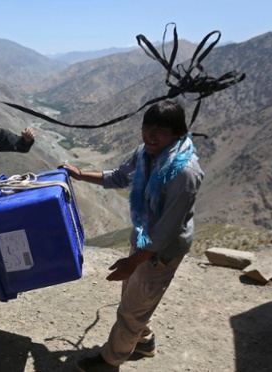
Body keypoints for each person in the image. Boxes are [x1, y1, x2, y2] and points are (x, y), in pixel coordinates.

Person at [60, 100, 204, 372]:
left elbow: (166, 232)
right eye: (146, 127)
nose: (150, 135)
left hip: (160, 253)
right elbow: (118, 177)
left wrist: (134, 261)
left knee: (131, 309)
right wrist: (79, 175)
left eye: (159, 130)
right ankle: (144, 342)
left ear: (177, 133)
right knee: (135, 296)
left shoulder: (184, 173)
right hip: (144, 241)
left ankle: (110, 360)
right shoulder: (146, 153)